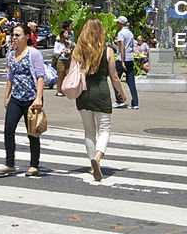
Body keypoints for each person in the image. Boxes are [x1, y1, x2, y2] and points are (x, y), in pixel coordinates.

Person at [73, 17, 124, 182]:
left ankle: (91, 164)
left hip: (83, 94)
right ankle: (98, 157)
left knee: (89, 130)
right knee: (104, 129)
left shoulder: (78, 51)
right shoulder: (107, 51)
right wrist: (122, 94)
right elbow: (114, 76)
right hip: (101, 93)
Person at [0, 23, 45, 177]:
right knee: (8, 129)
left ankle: (34, 165)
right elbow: (10, 77)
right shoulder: (11, 54)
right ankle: (9, 163)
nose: (14, 38)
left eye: (17, 35)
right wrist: (6, 97)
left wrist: (38, 97)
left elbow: (40, 76)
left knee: (32, 132)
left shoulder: (34, 54)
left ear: (26, 37)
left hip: (31, 99)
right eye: (13, 35)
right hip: (16, 98)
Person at [114, 15, 139, 109]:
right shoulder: (130, 33)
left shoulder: (121, 33)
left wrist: (122, 61)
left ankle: (119, 99)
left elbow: (122, 47)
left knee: (115, 79)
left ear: (120, 24)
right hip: (130, 58)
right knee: (131, 81)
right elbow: (132, 46)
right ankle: (135, 102)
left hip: (122, 59)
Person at [53, 23, 73, 96]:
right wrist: (62, 51)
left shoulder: (67, 42)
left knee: (67, 75)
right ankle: (59, 90)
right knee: (60, 76)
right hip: (60, 59)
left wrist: (69, 48)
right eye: (66, 33)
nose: (68, 34)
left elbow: (72, 47)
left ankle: (64, 89)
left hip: (67, 59)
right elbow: (55, 51)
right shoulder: (58, 42)